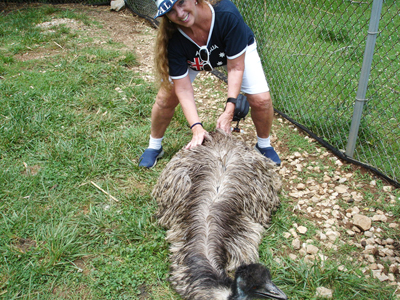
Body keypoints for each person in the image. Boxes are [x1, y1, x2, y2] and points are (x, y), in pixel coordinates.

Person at [138, 0, 281, 168]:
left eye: (181, 2)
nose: (180, 13)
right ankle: (154, 146)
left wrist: (229, 110)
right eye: (171, 11)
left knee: (261, 100)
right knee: (164, 100)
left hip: (234, 52)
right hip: (193, 57)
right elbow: (183, 89)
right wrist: (196, 127)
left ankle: (263, 144)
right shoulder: (174, 38)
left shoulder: (226, 15)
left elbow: (235, 67)